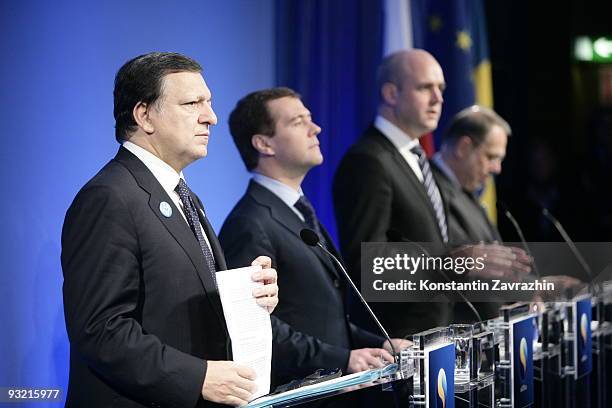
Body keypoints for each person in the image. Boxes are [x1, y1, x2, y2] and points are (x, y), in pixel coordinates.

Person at [61, 52, 279, 408]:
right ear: (144, 115)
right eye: (193, 103)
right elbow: (100, 330)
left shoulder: (185, 196)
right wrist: (198, 377)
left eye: (208, 103)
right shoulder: (109, 198)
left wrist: (248, 299)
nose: (211, 117)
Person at [219, 88, 407, 389]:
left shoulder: (298, 212)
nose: (315, 127)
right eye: (298, 121)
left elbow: (320, 318)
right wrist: (343, 359)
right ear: (264, 143)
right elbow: (257, 329)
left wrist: (381, 345)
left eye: (310, 118)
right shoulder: (250, 224)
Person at [333, 49, 530, 337]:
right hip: (400, 341)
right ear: (391, 93)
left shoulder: (416, 158)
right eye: (426, 88)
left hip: (438, 337)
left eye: (441, 89)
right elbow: (367, 263)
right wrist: (455, 260)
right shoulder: (368, 160)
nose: (438, 99)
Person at [431, 105, 509, 246]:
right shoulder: (429, 188)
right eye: (491, 157)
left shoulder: (467, 192)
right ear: (463, 148)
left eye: (500, 160)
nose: (497, 169)